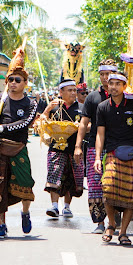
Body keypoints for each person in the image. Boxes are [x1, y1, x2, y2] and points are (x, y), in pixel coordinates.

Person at [94, 71, 133, 246]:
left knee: (131, 194)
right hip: (112, 153)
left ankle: (124, 232)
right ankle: (111, 223)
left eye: (118, 84)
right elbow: (100, 134)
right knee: (108, 188)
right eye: (111, 83)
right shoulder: (103, 107)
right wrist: (97, 157)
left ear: (124, 86)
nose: (114, 87)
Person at [0, 47, 37, 238]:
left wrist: (1, 128)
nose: (13, 83)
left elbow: (24, 124)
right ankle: (2, 225)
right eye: (10, 80)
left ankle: (25, 212)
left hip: (18, 148)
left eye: (17, 80)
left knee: (25, 182)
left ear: (25, 83)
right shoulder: (0, 97)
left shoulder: (31, 103)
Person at [74, 58, 118, 234]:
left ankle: (115, 219)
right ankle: (99, 222)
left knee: (115, 184)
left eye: (109, 74)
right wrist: (78, 146)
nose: (105, 78)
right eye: (102, 74)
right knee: (94, 184)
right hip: (94, 147)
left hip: (117, 146)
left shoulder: (125, 95)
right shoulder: (92, 97)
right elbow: (83, 124)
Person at [42, 78, 84, 218]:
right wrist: (47, 109)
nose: (73, 93)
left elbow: (88, 125)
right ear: (61, 92)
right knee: (54, 174)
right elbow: (42, 121)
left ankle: (67, 207)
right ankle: (54, 206)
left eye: (75, 90)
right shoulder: (54, 106)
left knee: (71, 177)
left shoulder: (81, 108)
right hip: (55, 148)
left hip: (74, 148)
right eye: (70, 90)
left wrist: (80, 128)